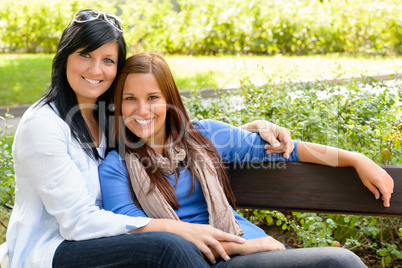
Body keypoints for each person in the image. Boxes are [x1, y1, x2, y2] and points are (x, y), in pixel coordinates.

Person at [1, 9, 296, 268]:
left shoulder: (107, 115)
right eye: (85, 55)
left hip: (104, 239)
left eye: (108, 60)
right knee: (167, 245)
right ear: (65, 57)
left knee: (172, 244)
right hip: (54, 251)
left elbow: (173, 130)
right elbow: (78, 222)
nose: (95, 69)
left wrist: (247, 131)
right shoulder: (43, 126)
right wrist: (177, 228)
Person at [99, 52, 394, 267]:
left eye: (152, 98)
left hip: (253, 248)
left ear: (170, 100)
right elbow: (137, 232)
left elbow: (289, 150)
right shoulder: (117, 166)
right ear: (118, 105)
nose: (142, 110)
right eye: (130, 99)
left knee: (338, 263)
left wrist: (356, 159)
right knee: (338, 261)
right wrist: (242, 248)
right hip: (215, 257)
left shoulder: (206, 136)